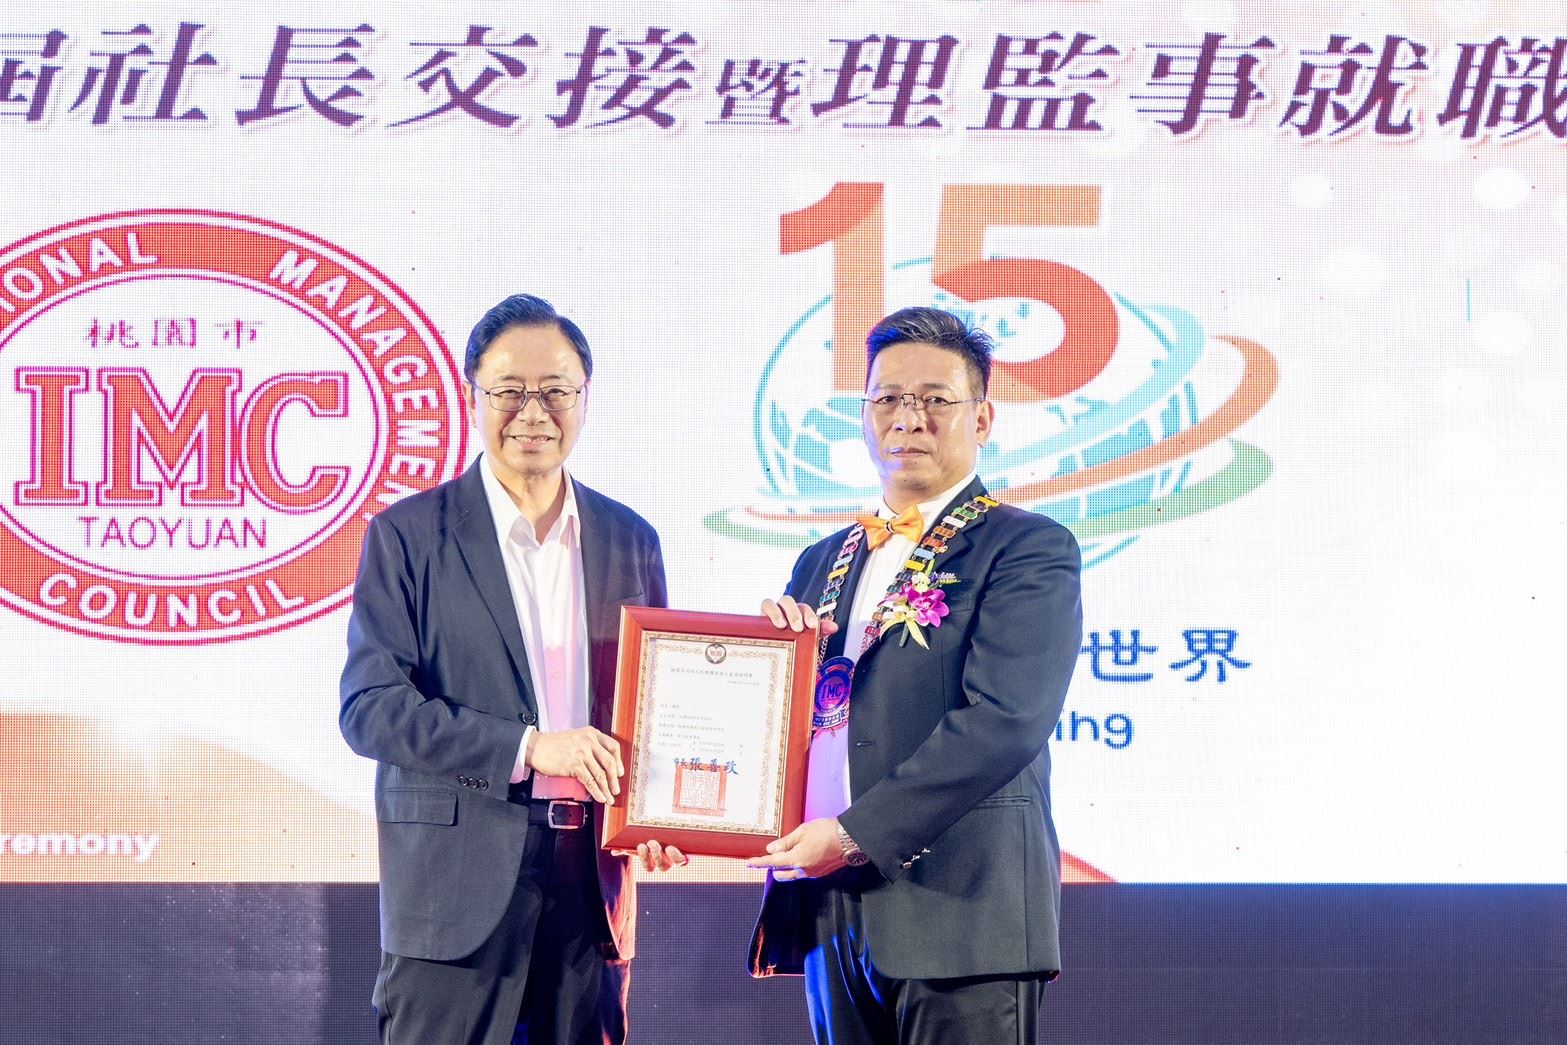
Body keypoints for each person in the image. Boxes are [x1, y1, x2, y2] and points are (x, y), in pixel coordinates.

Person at [340, 293, 686, 1045]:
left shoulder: (630, 538)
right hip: (453, 889)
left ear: (585, 399)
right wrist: (529, 748)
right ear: (473, 396)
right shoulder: (408, 535)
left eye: (556, 390)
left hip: (590, 884)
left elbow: (656, 704)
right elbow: (370, 708)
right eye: (509, 391)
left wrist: (659, 812)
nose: (534, 412)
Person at [747, 306, 1083, 1044]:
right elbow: (800, 724)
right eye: (889, 398)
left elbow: (1006, 720)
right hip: (833, 911)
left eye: (936, 399)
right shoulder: (822, 560)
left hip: (963, 911)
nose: (909, 418)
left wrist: (854, 833)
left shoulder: (1025, 548)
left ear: (982, 417)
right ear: (864, 415)